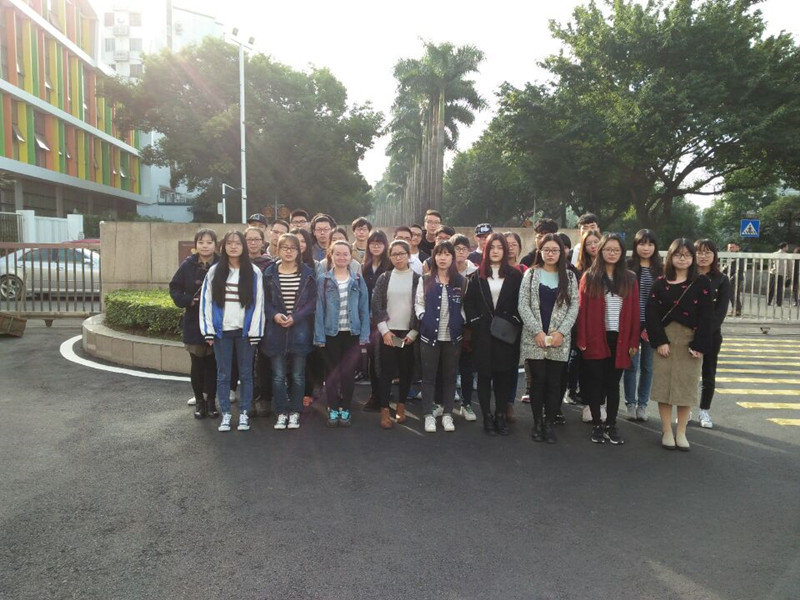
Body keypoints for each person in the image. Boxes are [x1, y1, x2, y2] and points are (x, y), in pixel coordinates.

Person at [646, 238, 713, 451]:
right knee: (664, 387)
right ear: (670, 257)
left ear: (692, 258)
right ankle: (666, 430)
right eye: (677, 254)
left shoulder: (702, 283)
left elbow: (707, 316)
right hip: (665, 340)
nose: (682, 259)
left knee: (686, 387)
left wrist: (699, 345)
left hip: (690, 341)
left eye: (687, 255)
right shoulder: (660, 283)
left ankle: (681, 432)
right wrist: (660, 341)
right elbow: (651, 314)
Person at [576, 233, 639, 445]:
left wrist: (633, 341)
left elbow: (634, 313)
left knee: (613, 384)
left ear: (622, 253)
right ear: (601, 251)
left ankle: (611, 425)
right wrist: (582, 339)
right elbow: (582, 311)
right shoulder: (590, 277)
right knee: (595, 382)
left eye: (616, 250)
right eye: (608, 249)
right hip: (595, 337)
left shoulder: (629, 278)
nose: (612, 253)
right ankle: (597, 424)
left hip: (620, 339)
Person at [200, 231, 264, 432]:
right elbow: (206, 302)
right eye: (229, 243)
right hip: (222, 332)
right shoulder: (214, 271)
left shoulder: (253, 272)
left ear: (243, 247)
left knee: (246, 374)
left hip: (245, 332)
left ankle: (244, 412)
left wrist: (255, 331)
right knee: (223, 374)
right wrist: (208, 330)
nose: (233, 247)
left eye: (237, 243)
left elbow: (259, 303)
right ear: (224, 246)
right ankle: (226, 414)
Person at [518, 234, 578, 443]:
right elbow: (523, 305)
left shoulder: (569, 277)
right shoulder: (531, 274)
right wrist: (537, 331)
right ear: (540, 251)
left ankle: (549, 423)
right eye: (546, 250)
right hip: (534, 337)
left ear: (562, 252)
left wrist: (561, 332)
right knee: (538, 381)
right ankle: (537, 423)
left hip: (559, 339)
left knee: (554, 383)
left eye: (555, 250)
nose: (550, 254)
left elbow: (574, 307)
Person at [465, 233, 523, 436]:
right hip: (483, 335)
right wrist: (476, 322)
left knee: (503, 377)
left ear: (505, 250)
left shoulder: (515, 276)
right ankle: (487, 417)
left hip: (506, 334)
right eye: (492, 247)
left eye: (500, 247)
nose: (496, 251)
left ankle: (500, 415)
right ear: (486, 250)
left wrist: (514, 321)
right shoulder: (477, 276)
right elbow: (469, 303)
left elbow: (521, 303)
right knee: (484, 376)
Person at [262, 233, 317, 431]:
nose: (288, 251)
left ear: (299, 251)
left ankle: (295, 411)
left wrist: (296, 317)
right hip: (275, 330)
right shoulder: (269, 273)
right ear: (278, 249)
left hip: (300, 330)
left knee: (298, 375)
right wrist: (274, 315)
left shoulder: (308, 273)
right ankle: (281, 411)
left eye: (293, 248)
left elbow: (313, 302)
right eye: (284, 247)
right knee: (278, 375)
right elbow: (263, 300)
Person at [314, 241, 370, 427]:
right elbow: (319, 309)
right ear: (331, 255)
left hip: (352, 334)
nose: (341, 257)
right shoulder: (323, 280)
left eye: (345, 254)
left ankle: (345, 407)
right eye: (337, 254)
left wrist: (364, 335)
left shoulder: (358, 279)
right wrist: (319, 336)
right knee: (331, 373)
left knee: (347, 374)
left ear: (350, 256)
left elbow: (364, 309)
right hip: (330, 334)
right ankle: (332, 407)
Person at [415, 240, 467, 433]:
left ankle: (447, 414)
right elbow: (418, 302)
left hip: (453, 337)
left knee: (450, 377)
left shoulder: (461, 281)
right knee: (428, 377)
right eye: (439, 254)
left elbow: (465, 307)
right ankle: (428, 415)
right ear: (434, 257)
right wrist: (423, 317)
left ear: (452, 257)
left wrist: (460, 320)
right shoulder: (425, 279)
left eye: (447, 254)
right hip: (429, 336)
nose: (442, 258)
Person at [169, 228, 219, 419]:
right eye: (201, 242)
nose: (205, 246)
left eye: (209, 242)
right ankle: (200, 401)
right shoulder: (188, 264)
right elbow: (174, 287)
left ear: (215, 245)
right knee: (197, 364)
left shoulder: (222, 264)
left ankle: (211, 401)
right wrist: (188, 300)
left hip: (216, 321)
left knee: (213, 364)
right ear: (196, 244)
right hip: (194, 321)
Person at [371, 239, 420, 428]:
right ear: (390, 257)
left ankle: (401, 406)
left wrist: (414, 332)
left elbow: (422, 306)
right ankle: (384, 410)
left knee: (406, 371)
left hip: (408, 334)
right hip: (388, 334)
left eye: (402, 253)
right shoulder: (384, 278)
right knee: (386, 372)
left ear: (408, 255)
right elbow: (376, 306)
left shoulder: (418, 279)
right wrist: (384, 331)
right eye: (394, 254)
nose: (398, 257)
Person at [622, 229, 663, 422]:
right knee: (630, 365)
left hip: (652, 324)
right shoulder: (628, 266)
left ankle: (642, 405)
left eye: (650, 244)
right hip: (631, 322)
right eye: (642, 243)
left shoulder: (661, 269)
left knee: (648, 366)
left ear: (655, 247)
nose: (646, 248)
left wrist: (654, 324)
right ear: (635, 245)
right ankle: (630, 403)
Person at [696, 239, 731, 429]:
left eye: (707, 252)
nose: (703, 256)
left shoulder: (722, 280)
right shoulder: (687, 276)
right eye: (699, 252)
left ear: (714, 256)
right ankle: (684, 408)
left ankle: (704, 410)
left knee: (708, 373)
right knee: (686, 374)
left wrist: (703, 334)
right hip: (687, 333)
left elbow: (720, 312)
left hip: (710, 334)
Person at [361, 230, 392, 411]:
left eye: (379, 242)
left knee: (386, 359)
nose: (376, 246)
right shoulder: (364, 267)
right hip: (368, 321)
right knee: (373, 359)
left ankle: (385, 395)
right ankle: (375, 394)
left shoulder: (389, 266)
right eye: (372, 242)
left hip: (387, 320)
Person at [575, 228, 603, 423]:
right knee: (586, 367)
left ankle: (600, 404)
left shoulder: (610, 268)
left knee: (603, 370)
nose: (593, 246)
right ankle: (587, 404)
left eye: (596, 242)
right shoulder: (579, 270)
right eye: (589, 244)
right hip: (584, 323)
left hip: (605, 325)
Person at [245, 226, 273, 417]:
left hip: (266, 318)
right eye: (249, 239)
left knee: (264, 360)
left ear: (263, 242)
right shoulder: (236, 263)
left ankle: (265, 398)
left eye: (257, 239)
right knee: (246, 361)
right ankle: (249, 398)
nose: (253, 243)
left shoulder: (271, 264)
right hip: (244, 318)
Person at [452, 234, 479, 421]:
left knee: (467, 367)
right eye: (456, 248)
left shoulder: (475, 273)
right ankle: (443, 402)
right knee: (446, 366)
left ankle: (466, 403)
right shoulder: (444, 271)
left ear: (469, 251)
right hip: (446, 326)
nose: (460, 252)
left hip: (468, 328)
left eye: (464, 249)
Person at [722, 241, 744, 316]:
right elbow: (727, 267)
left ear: (737, 248)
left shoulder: (739, 256)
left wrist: (732, 277)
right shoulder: (729, 256)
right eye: (729, 248)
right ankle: (737, 309)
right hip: (730, 277)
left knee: (733, 294)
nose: (730, 249)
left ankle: (736, 310)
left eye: (732, 247)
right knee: (734, 294)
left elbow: (739, 268)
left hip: (736, 277)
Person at [767, 242, 789, 307]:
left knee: (771, 288)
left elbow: (770, 263)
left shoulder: (774, 254)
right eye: (787, 246)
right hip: (782, 274)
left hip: (774, 273)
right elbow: (789, 266)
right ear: (784, 247)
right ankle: (779, 303)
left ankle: (768, 301)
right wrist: (789, 274)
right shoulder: (787, 255)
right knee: (780, 289)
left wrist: (771, 270)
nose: (788, 248)